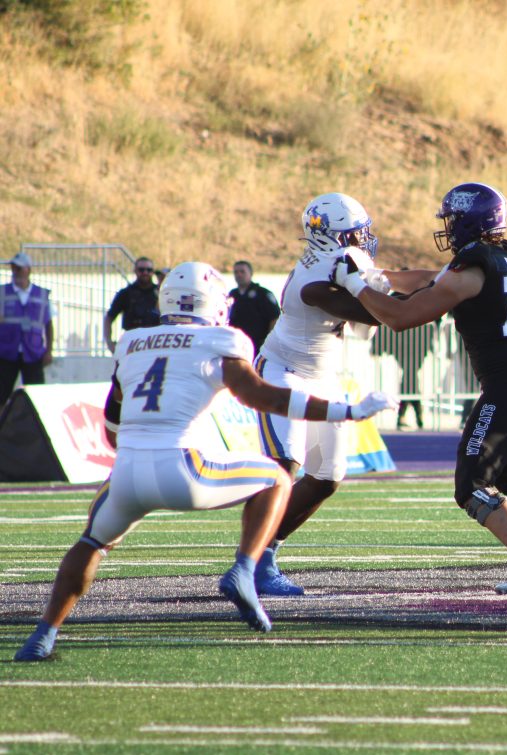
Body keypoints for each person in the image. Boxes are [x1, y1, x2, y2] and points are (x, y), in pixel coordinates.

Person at [12, 261, 392, 661]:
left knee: (91, 542)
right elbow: (268, 399)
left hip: (126, 473)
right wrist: (346, 412)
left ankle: (44, 635)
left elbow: (111, 426)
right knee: (278, 479)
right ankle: (245, 569)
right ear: (213, 303)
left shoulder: (133, 341)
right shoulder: (223, 341)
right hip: (184, 470)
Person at [330, 182, 507, 598]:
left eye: (452, 220)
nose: (447, 228)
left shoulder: (472, 269)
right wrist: (380, 276)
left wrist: (357, 288)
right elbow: (431, 278)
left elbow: (402, 318)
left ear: (469, 221)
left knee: (472, 486)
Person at [252, 192, 392, 596]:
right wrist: (421, 300)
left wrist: (434, 282)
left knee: (327, 477)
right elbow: (376, 314)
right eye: (355, 233)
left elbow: (382, 289)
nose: (363, 240)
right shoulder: (313, 280)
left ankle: (265, 551)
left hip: (323, 376)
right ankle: (253, 562)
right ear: (331, 235)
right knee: (284, 465)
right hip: (284, 372)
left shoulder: (342, 260)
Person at [0, 252, 54, 406]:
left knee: (37, 396)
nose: (15, 272)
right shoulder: (2, 293)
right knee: (1, 395)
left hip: (33, 352)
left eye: (19, 268)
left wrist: (49, 350)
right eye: (13, 268)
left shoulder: (41, 294)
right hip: (6, 352)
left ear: (28, 270)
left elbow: (48, 324)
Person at [105, 257, 160, 353]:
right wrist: (110, 343)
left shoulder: (161, 294)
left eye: (149, 270)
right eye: (141, 270)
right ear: (135, 271)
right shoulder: (125, 294)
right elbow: (109, 317)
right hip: (132, 344)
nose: (145, 273)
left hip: (155, 343)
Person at [228, 260, 281, 354]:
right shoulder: (232, 295)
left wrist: (269, 342)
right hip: (235, 345)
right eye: (236, 272)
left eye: (242, 271)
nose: (239, 275)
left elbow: (274, 318)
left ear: (251, 273)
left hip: (258, 346)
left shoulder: (263, 294)